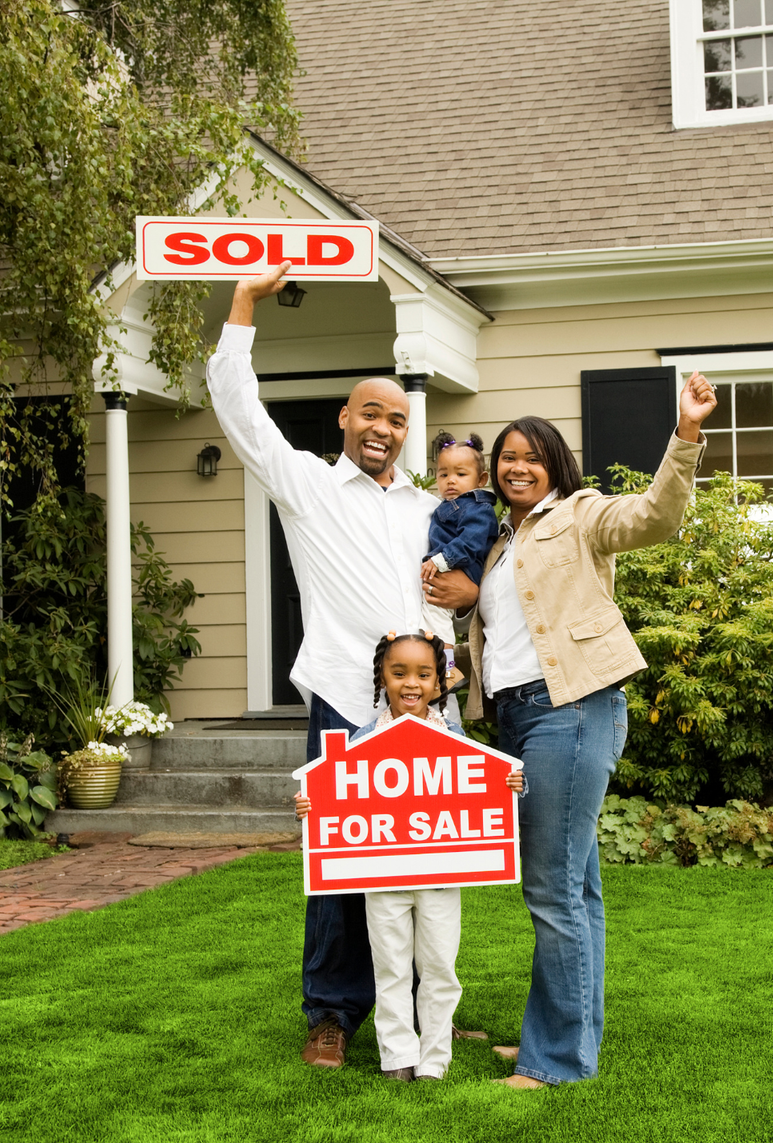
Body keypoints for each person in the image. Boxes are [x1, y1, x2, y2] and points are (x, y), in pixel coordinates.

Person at [205, 264, 482, 1070]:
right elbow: (240, 410)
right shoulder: (305, 486)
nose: (384, 428)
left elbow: (449, 597)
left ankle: (428, 1011)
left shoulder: (431, 506)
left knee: (433, 863)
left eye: (397, 418)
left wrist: (455, 659)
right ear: (344, 417)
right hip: (344, 699)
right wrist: (245, 303)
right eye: (371, 412)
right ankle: (333, 1010)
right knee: (342, 863)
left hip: (432, 707)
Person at [465, 376, 716, 1089]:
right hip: (517, 715)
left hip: (571, 706)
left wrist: (685, 434)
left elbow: (653, 517)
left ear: (555, 464)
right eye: (506, 457)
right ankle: (566, 1030)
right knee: (576, 887)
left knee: (551, 889)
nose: (516, 466)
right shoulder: (498, 542)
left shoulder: (580, 514)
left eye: (531, 456)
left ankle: (558, 1057)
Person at [296, 631, 525, 1082]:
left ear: (440, 683)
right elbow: (335, 797)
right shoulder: (362, 741)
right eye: (398, 673)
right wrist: (311, 805)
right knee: (391, 969)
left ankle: (435, 1060)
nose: (411, 684)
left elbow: (484, 794)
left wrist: (510, 788)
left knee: (440, 968)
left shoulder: (457, 741)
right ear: (382, 679)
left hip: (441, 880)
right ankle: (396, 1057)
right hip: (382, 881)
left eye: (423, 674)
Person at [419, 432, 500, 688]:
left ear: (481, 479)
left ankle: (449, 670)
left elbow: (471, 542)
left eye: (460, 474)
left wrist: (440, 561)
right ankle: (440, 666)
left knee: (436, 614)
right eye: (443, 474)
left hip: (463, 570)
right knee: (431, 617)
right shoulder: (447, 505)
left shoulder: (477, 508)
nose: (450, 480)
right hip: (451, 567)